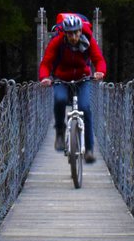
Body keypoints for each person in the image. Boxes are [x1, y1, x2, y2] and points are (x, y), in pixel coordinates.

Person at [38, 12, 106, 163]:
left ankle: (89, 149)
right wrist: (44, 78)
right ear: (65, 34)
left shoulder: (88, 41)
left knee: (85, 108)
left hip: (83, 78)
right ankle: (60, 133)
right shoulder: (57, 43)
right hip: (61, 78)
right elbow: (46, 63)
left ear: (81, 31)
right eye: (70, 34)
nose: (74, 37)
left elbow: (98, 59)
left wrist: (100, 71)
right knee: (60, 99)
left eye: (76, 32)